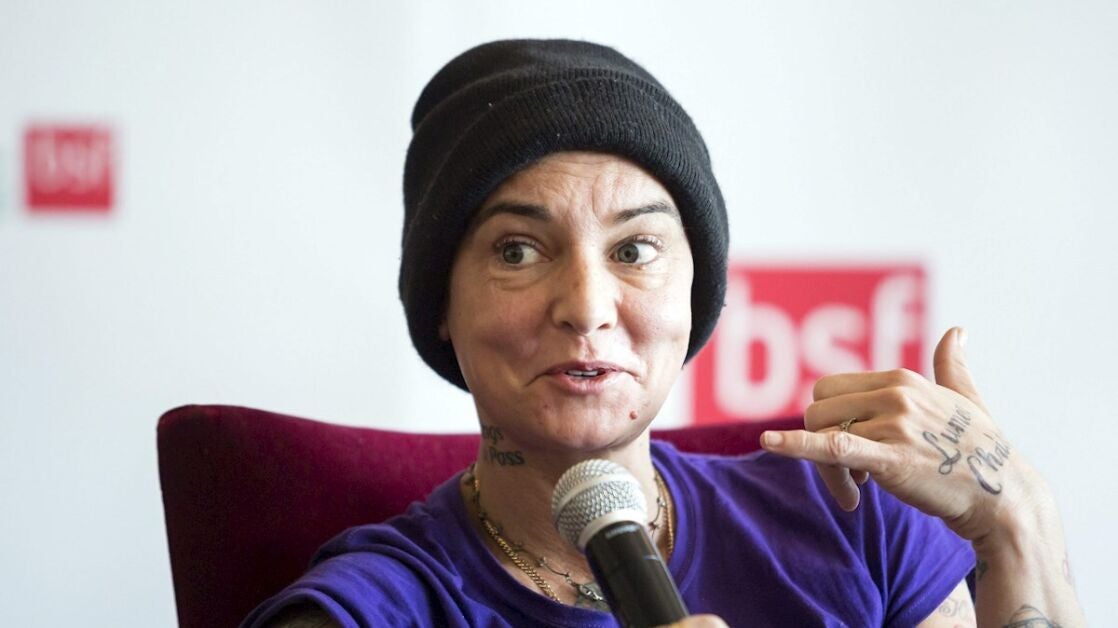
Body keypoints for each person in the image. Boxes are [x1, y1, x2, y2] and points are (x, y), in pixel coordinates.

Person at [243, 39, 1084, 627]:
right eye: (517, 250)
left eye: (635, 249)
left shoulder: (855, 521)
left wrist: (1018, 520)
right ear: (442, 304)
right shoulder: (373, 607)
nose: (586, 306)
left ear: (695, 293)